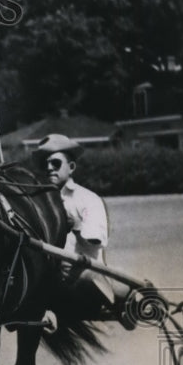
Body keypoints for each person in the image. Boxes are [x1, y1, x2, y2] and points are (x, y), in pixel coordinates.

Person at [32, 134, 136, 330]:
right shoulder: (39, 202)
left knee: (90, 277)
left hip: (85, 279)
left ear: (71, 168)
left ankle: (122, 301)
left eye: (55, 163)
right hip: (52, 283)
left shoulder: (88, 199)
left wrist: (74, 224)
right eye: (45, 165)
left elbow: (95, 241)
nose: (49, 168)